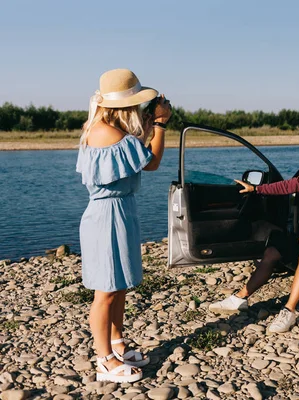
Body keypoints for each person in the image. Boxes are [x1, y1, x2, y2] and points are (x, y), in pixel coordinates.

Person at [76, 69, 172, 383]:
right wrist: (158, 124)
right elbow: (151, 161)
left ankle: (116, 343)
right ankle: (104, 360)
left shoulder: (113, 129)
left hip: (120, 210)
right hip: (106, 215)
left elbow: (136, 154)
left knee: (118, 286)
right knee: (105, 291)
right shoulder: (105, 131)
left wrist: (147, 127)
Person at [209, 135, 299, 333]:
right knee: (272, 251)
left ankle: (288, 311)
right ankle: (239, 298)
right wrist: (256, 189)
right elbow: (287, 186)